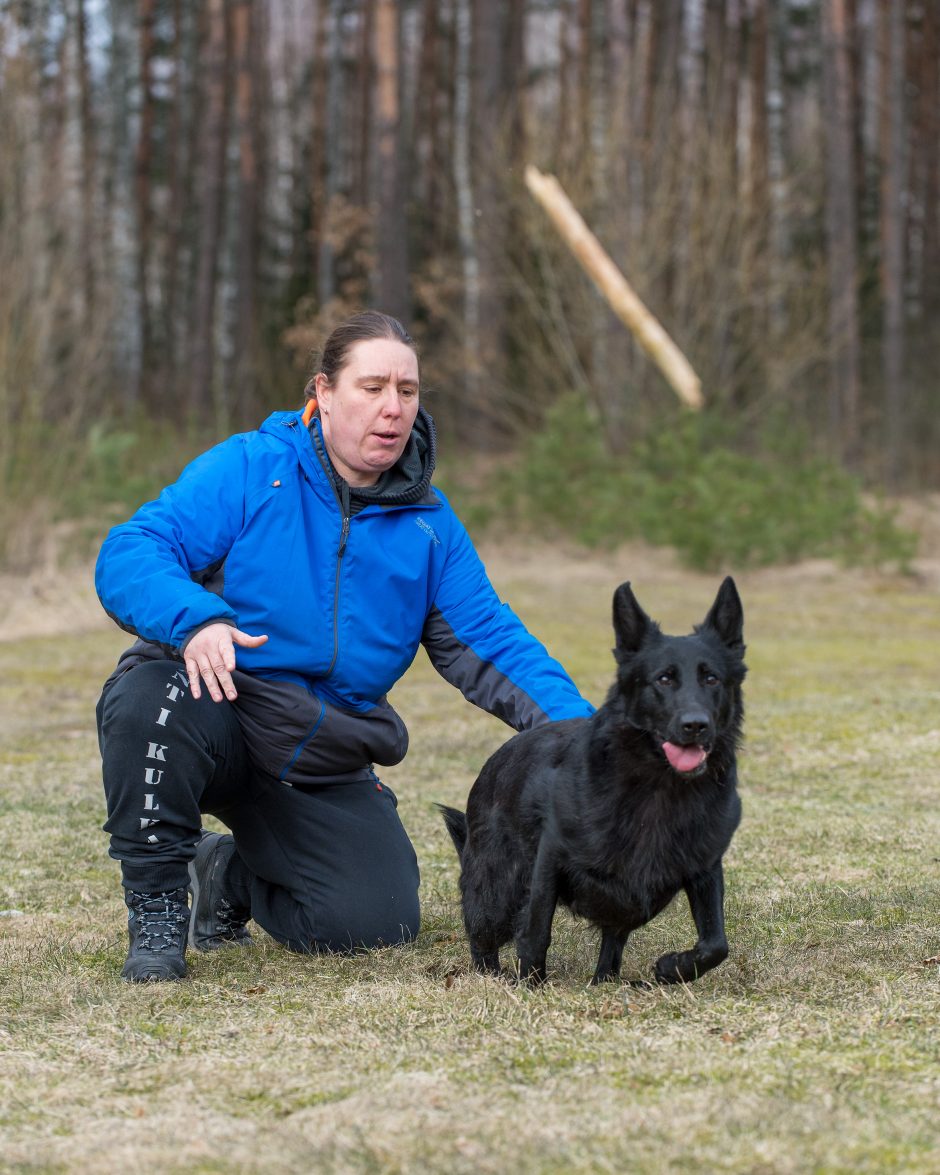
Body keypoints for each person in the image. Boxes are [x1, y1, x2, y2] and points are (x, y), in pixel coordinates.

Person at [95, 310, 594, 982]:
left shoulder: (430, 528)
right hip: (215, 707)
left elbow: (493, 642)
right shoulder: (252, 468)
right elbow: (131, 550)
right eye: (372, 387)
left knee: (375, 919)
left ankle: (226, 873)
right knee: (146, 696)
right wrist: (197, 617)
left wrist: (588, 738)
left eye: (408, 391)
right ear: (323, 394)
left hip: (316, 752)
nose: (393, 408)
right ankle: (158, 905)